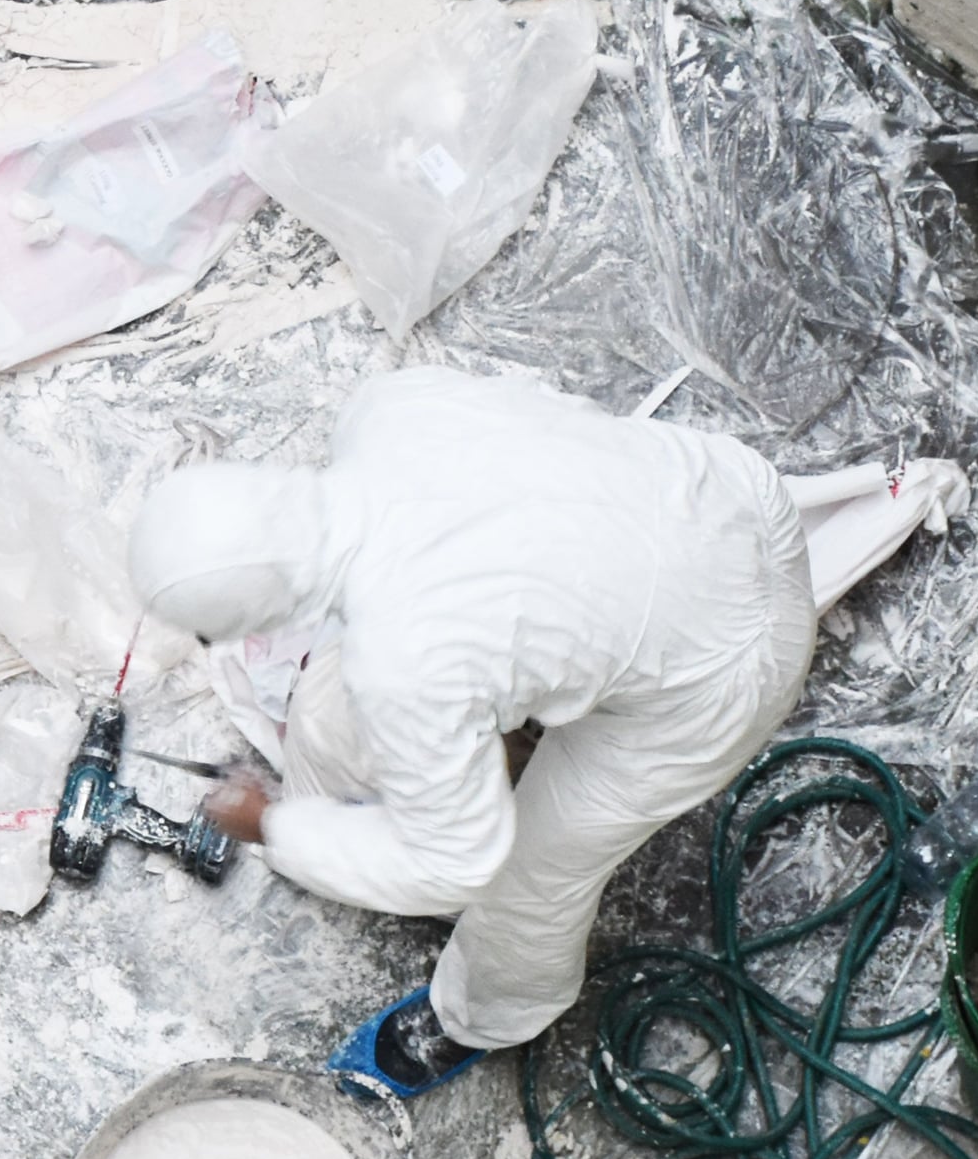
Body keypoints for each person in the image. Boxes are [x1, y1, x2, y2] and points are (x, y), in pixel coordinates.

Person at [131, 366, 821, 1096]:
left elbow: (457, 863)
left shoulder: (409, 663)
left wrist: (275, 826)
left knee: (531, 874)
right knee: (340, 708)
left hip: (727, 669)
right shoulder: (389, 408)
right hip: (721, 494)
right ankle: (534, 709)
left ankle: (480, 1017)